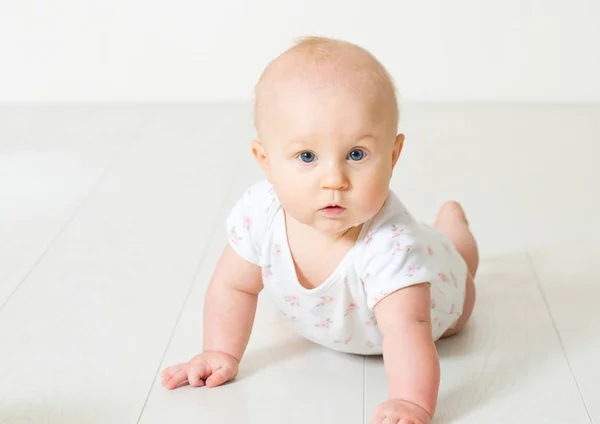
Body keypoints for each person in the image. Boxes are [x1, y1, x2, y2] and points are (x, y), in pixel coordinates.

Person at [160, 36, 479, 424]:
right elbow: (233, 286)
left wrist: (411, 402)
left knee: (456, 254)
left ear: (393, 157)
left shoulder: (392, 247)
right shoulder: (260, 214)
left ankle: (454, 229)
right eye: (307, 156)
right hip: (342, 318)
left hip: (442, 294)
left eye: (356, 155)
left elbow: (407, 328)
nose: (334, 179)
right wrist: (220, 352)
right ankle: (444, 227)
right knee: (434, 239)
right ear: (266, 160)